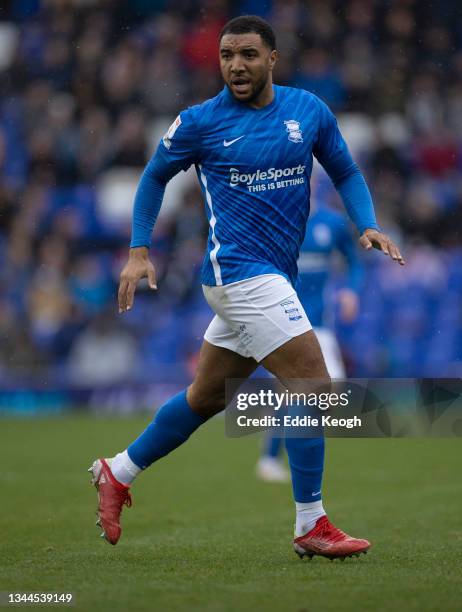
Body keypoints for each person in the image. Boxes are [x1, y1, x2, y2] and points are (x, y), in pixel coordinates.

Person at [88, 15, 404, 560]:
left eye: (249, 55)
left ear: (272, 59)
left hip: (269, 277)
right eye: (227, 55)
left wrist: (366, 222)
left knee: (206, 397)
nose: (236, 65)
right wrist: (139, 250)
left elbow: (346, 171)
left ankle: (116, 472)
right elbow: (153, 177)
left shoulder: (308, 111)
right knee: (312, 384)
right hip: (239, 273)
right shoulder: (199, 121)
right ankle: (312, 523)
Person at [256, 204, 363, 483]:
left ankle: (287, 453)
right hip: (282, 323)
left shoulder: (332, 223)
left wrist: (351, 291)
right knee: (289, 392)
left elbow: (353, 260)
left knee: (328, 390)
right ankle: (273, 460)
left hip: (320, 324)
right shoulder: (273, 219)